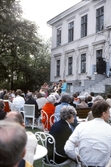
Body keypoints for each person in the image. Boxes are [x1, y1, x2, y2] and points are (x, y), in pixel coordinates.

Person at [64, 100, 111, 166]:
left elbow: (68, 148)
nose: (109, 115)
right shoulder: (109, 129)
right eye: (108, 112)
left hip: (83, 164)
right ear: (104, 114)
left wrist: (77, 158)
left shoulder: (81, 126)